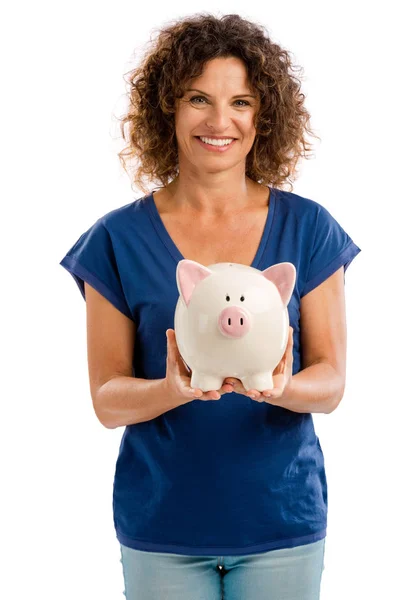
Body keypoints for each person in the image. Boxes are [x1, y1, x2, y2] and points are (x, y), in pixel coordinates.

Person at [59, 12, 361, 600]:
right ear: (166, 109)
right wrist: (174, 388)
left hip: (283, 525)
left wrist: (280, 386)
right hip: (162, 528)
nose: (220, 122)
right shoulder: (117, 241)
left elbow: (331, 382)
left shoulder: (310, 230)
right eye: (199, 99)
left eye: (241, 102)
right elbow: (106, 401)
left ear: (263, 116)